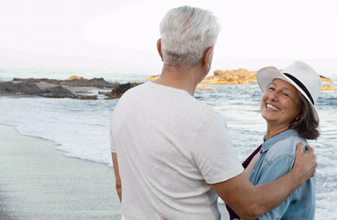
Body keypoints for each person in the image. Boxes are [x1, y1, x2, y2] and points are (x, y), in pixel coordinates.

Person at [110, 6, 317, 220]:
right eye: (272, 88)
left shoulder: (126, 101)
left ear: (161, 48)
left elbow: (121, 185)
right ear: (208, 56)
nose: (272, 96)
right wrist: (299, 174)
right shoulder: (203, 121)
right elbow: (250, 207)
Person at [228, 60, 322, 219]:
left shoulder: (286, 153)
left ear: (300, 112)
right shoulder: (273, 144)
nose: (272, 96)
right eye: (272, 88)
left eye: (285, 94)